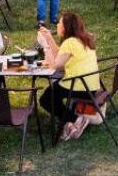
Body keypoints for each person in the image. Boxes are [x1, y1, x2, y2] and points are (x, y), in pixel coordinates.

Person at [37, 11, 103, 140]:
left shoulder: (70, 43)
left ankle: (74, 119)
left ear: (66, 27)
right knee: (53, 93)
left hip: (78, 85)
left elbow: (55, 65)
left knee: (46, 99)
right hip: (91, 85)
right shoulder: (82, 39)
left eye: (59, 23)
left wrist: (45, 45)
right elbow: (60, 57)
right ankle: (70, 122)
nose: (57, 25)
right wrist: (50, 38)